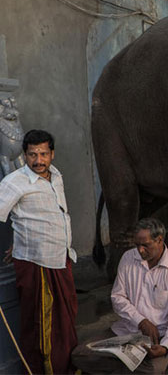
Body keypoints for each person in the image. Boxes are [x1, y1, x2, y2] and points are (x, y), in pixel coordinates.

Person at [0, 129, 78, 374]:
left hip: (61, 257)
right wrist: (20, 242)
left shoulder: (56, 176)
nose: (38, 160)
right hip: (38, 263)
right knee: (42, 325)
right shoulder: (14, 182)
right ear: (25, 155)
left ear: (52, 154)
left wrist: (18, 239)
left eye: (43, 154)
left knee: (65, 320)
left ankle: (66, 366)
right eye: (32, 154)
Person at [72, 218, 168, 374]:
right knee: (80, 355)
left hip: (158, 337)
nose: (140, 250)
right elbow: (117, 297)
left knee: (151, 370)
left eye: (145, 245)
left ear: (160, 240)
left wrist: (164, 347)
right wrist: (141, 321)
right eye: (137, 245)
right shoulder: (128, 258)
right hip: (126, 330)